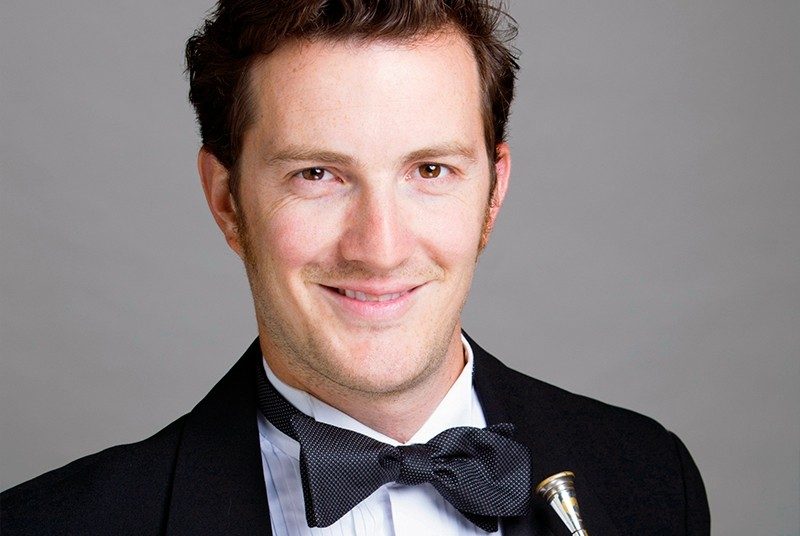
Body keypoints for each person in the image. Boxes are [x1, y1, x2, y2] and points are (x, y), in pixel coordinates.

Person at [1, 1, 710, 534]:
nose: (378, 246)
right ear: (227, 201)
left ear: (492, 192)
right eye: (317, 174)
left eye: (430, 169)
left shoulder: (650, 479)